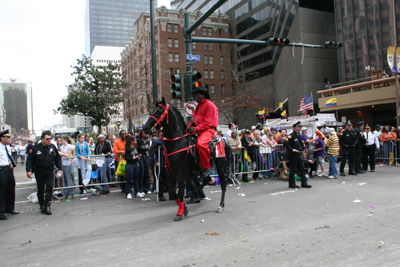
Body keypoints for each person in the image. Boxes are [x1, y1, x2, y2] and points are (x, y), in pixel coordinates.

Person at [26, 131, 62, 215]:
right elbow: (30, 160)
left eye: (50, 139)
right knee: (41, 189)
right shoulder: (35, 148)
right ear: (42, 139)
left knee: (49, 188)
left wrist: (59, 169)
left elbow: (57, 159)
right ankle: (41, 205)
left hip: (49, 170)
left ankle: (47, 205)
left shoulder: (52, 147)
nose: (49, 140)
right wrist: (28, 170)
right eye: (47, 139)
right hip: (39, 171)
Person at [187, 86, 218, 179]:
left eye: (197, 95)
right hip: (199, 129)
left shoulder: (210, 105)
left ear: (202, 95)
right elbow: (195, 119)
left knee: (201, 145)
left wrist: (196, 129)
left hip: (208, 130)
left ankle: (206, 167)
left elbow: (209, 122)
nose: (195, 98)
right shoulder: (198, 106)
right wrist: (190, 125)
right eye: (195, 95)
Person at [283, 121, 312, 188]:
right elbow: (285, 142)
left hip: (299, 154)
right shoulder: (291, 135)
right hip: (293, 155)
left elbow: (300, 143)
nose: (300, 128)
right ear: (296, 127)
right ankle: (292, 184)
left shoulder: (298, 135)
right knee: (293, 170)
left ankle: (304, 183)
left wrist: (302, 148)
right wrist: (292, 149)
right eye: (299, 127)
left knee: (302, 169)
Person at [0, 130, 18, 220]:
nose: (9, 139)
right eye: (7, 137)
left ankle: (10, 208)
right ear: (2, 138)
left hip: (8, 169)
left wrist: (11, 165)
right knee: (2, 191)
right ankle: (1, 212)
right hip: (1, 170)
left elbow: (8, 157)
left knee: (11, 189)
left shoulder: (6, 147)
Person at [149, 133, 170, 201]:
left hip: (166, 162)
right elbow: (151, 153)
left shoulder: (168, 141)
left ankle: (171, 193)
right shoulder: (157, 142)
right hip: (159, 161)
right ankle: (160, 194)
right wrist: (155, 162)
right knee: (159, 179)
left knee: (168, 178)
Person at [137, 130, 151, 195]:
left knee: (147, 173)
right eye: (144, 133)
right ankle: (141, 188)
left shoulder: (148, 142)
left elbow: (148, 149)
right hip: (141, 157)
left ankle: (147, 188)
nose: (145, 135)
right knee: (141, 172)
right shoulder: (139, 141)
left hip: (146, 157)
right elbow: (136, 148)